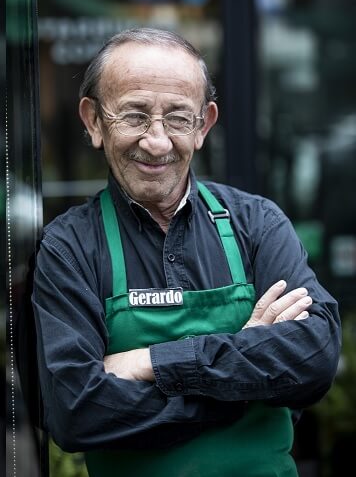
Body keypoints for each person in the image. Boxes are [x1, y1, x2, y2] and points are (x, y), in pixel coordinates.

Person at [30, 28, 340, 476]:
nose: (156, 142)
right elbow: (77, 411)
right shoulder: (69, 248)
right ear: (94, 121)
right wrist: (247, 382)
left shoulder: (256, 224)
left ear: (203, 125)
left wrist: (151, 362)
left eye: (177, 118)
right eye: (135, 116)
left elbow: (314, 357)